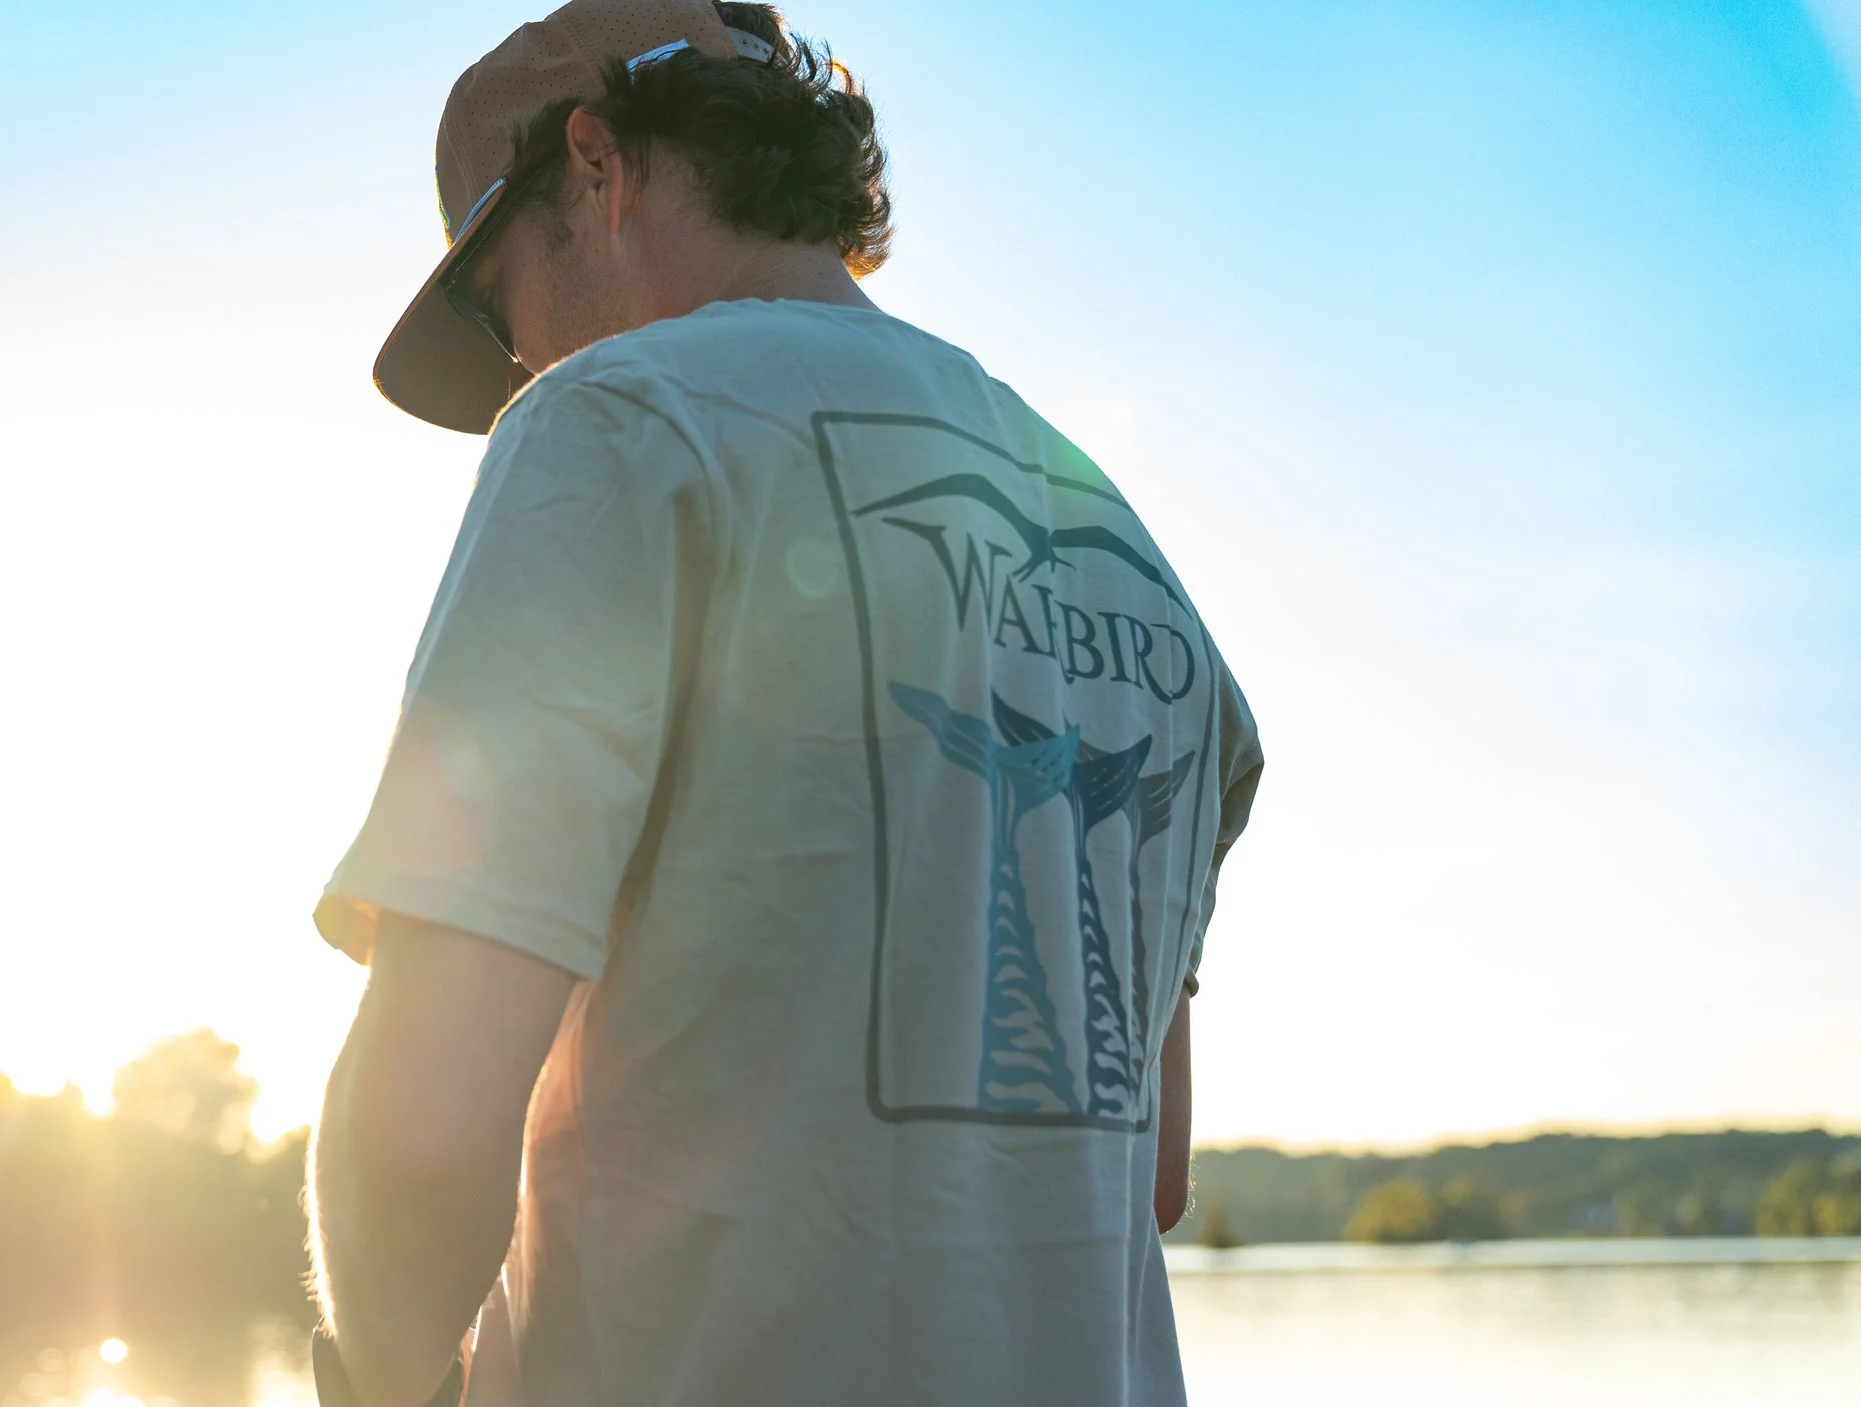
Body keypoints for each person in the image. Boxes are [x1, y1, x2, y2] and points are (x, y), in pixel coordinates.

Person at [305, 3, 1264, 1404]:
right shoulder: (1133, 563)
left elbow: (421, 1130)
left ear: (597, 166)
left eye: (497, 302)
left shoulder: (618, 425)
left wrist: (386, 1383)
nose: (521, 363)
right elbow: (1148, 1162)